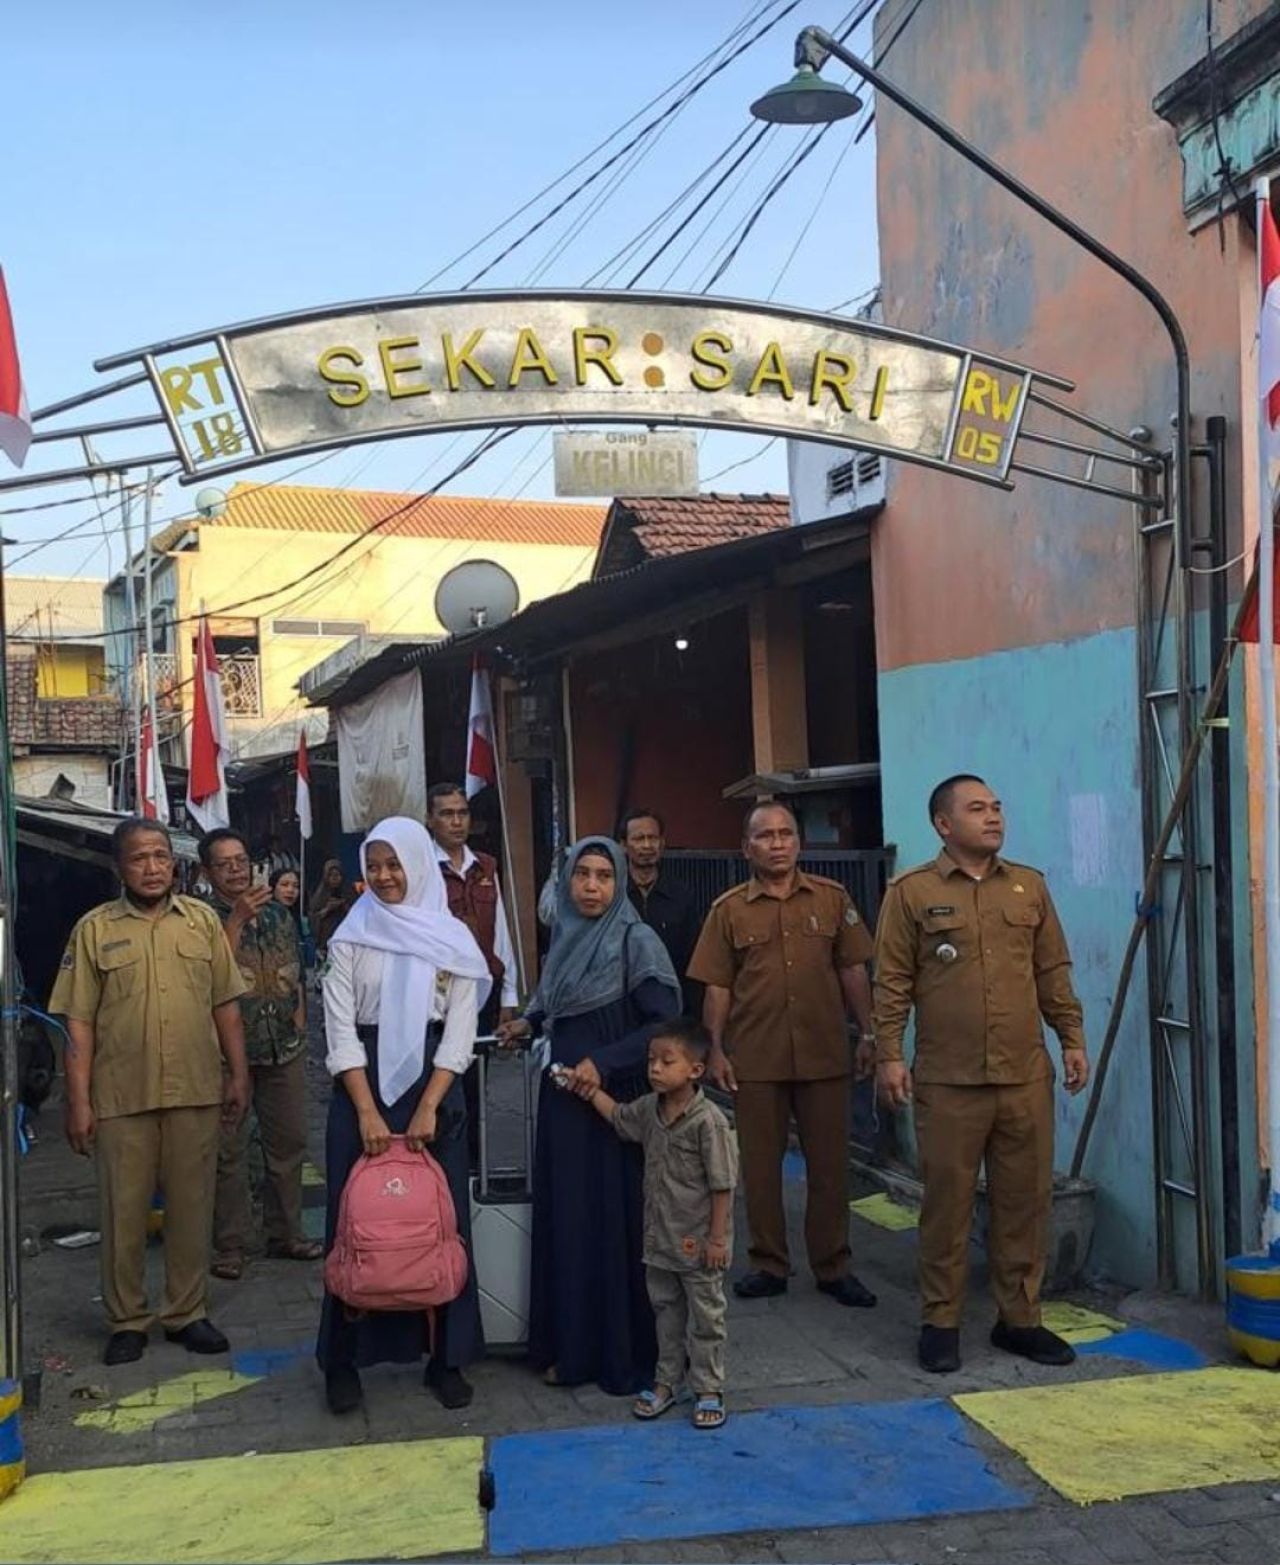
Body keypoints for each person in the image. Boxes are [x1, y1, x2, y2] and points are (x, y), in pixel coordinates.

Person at [873, 775, 1090, 1374]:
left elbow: (1052, 970)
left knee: (1026, 1202)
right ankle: (940, 1322)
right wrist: (889, 1054)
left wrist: (1071, 1038)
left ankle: (1019, 1320)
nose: (993, 816)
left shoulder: (1028, 887)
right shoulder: (912, 893)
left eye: (996, 806)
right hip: (949, 1081)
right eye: (977, 809)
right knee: (948, 1206)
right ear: (944, 824)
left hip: (1024, 1076)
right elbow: (891, 981)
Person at [48, 818, 250, 1366]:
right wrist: (79, 1101)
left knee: (192, 1209)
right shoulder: (93, 930)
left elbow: (225, 1004)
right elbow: (78, 1023)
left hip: (195, 1089)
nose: (153, 867)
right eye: (139, 858)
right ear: (121, 867)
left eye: (161, 856)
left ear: (174, 863)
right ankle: (128, 1320)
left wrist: (238, 1073)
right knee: (124, 1213)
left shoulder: (202, 922)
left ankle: (186, 1312)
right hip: (121, 1096)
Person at [316, 816, 491, 1416]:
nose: (385, 877)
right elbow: (340, 1031)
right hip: (360, 1086)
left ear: (417, 864)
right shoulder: (350, 936)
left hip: (435, 1085)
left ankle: (446, 1359)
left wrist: (429, 1105)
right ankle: (343, 1361)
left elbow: (460, 1032)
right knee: (352, 1222)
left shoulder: (453, 939)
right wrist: (367, 1111)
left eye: (395, 865)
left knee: (442, 1223)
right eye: (374, 866)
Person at [497, 837, 681, 1395]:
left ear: (619, 882)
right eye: (583, 875)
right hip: (563, 1102)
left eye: (604, 876)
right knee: (568, 1218)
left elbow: (663, 1024)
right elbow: (553, 1003)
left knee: (611, 1223)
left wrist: (603, 1063)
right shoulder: (566, 937)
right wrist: (528, 1023)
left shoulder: (635, 940)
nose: (593, 887)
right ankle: (570, 1350)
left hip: (613, 1107)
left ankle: (617, 1354)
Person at [688, 801, 877, 1307]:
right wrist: (716, 1048)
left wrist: (869, 1034)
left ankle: (833, 1265)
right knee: (760, 1168)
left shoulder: (832, 899)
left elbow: (853, 970)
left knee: (830, 1166)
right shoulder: (728, 910)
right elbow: (718, 986)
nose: (777, 844)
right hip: (757, 1057)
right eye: (765, 836)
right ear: (746, 847)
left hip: (824, 1053)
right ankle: (768, 1263)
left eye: (786, 834)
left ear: (798, 842)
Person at [572, 1019, 738, 1430]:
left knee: (706, 1317)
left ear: (695, 1070)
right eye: (651, 1061)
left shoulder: (709, 1122)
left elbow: (722, 1185)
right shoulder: (649, 1108)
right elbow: (620, 1118)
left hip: (698, 1241)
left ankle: (709, 1388)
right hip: (659, 1239)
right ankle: (667, 1382)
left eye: (667, 1061)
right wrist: (589, 1091)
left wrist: (717, 1239)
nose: (655, 1069)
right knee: (665, 1315)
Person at [200, 829, 320, 1281]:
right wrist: (235, 921)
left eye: (242, 860)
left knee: (288, 1144)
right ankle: (231, 1244)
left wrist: (300, 1019)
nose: (236, 869)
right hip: (228, 1052)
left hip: (283, 1047)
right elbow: (208, 977)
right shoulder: (200, 918)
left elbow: (296, 970)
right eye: (224, 863)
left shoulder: (278, 913)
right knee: (228, 1149)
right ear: (207, 872)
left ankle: (286, 1233)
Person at [426, 783, 519, 1166]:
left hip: (482, 994)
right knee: (441, 1092)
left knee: (475, 1089)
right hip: (437, 999)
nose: (456, 821)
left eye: (462, 812)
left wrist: (509, 995)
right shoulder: (422, 868)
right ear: (430, 820)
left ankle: (471, 1175)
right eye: (447, 814)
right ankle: (439, 1174)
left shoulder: (485, 866)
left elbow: (501, 933)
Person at [619, 809, 704, 1016]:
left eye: (653, 838)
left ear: (662, 843)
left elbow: (694, 959)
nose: (647, 845)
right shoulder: (614, 895)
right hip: (623, 1006)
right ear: (623, 845)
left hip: (672, 1006)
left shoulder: (681, 895)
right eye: (638, 839)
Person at [310, 859, 354, 959]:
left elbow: (356, 916)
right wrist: (328, 909)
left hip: (346, 942)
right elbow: (313, 917)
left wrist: (343, 905)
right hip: (325, 943)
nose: (334, 878)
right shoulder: (320, 895)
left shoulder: (349, 893)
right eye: (331, 875)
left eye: (337, 875)